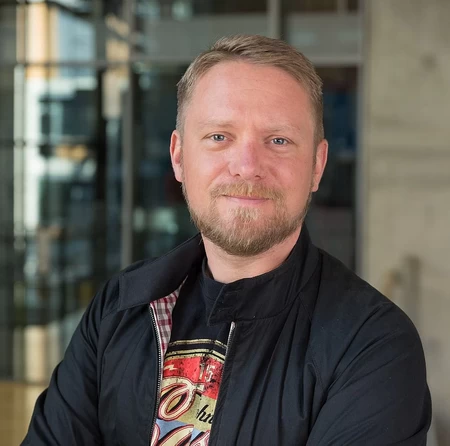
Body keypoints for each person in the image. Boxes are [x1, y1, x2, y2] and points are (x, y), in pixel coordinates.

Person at [23, 35, 431, 446]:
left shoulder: (373, 346)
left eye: (279, 140)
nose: (247, 166)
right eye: (219, 136)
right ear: (179, 157)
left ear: (317, 165)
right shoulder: (119, 307)